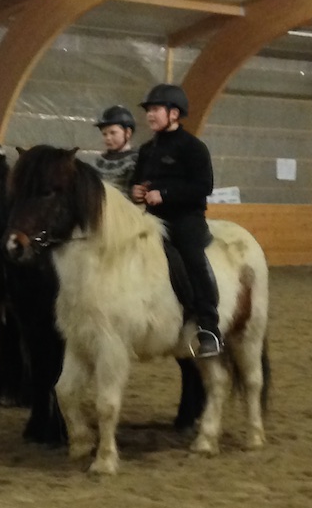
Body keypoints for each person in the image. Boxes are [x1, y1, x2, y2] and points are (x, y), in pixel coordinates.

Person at [130, 84, 221, 358]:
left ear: (174, 113)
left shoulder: (193, 147)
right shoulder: (147, 150)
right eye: (148, 110)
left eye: (156, 109)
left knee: (192, 259)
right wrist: (135, 191)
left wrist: (165, 194)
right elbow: (137, 180)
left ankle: (209, 328)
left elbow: (204, 186)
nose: (150, 115)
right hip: (153, 219)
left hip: (185, 218)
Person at [92, 104, 139, 193]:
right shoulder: (98, 162)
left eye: (113, 133)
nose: (108, 138)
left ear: (128, 133)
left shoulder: (137, 160)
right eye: (104, 134)